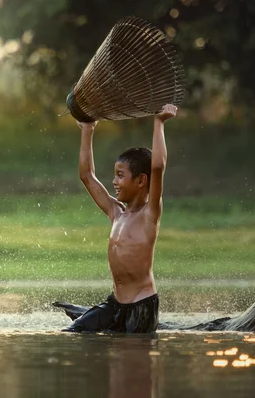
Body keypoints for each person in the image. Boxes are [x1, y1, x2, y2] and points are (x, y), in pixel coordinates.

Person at [63, 104, 178, 333]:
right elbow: (87, 176)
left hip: (141, 306)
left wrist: (159, 123)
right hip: (115, 303)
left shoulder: (149, 214)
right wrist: (87, 129)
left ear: (141, 181)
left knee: (130, 355)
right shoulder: (115, 212)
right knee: (74, 332)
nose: (114, 182)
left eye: (120, 176)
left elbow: (157, 167)